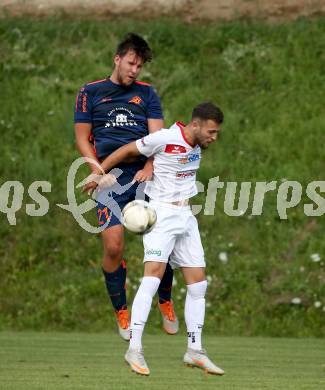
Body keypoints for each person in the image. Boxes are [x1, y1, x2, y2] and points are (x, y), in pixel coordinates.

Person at [91, 102, 225, 376]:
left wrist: (151, 164)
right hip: (161, 215)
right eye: (211, 131)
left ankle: (195, 350)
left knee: (198, 284)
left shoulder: (196, 144)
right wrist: (99, 172)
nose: (214, 137)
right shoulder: (165, 137)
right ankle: (134, 349)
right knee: (152, 278)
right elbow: (129, 150)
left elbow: (157, 158)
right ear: (196, 125)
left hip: (186, 216)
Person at [74, 33, 178, 341]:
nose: (135, 70)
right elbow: (82, 137)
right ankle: (122, 310)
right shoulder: (89, 92)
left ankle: (165, 299)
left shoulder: (147, 94)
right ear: (117, 59)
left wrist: (149, 167)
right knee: (113, 246)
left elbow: (157, 140)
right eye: (131, 63)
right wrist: (96, 171)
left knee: (160, 243)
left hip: (144, 174)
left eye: (140, 66)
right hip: (109, 175)